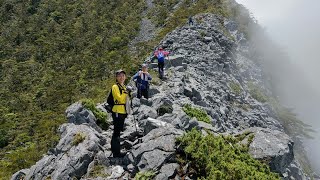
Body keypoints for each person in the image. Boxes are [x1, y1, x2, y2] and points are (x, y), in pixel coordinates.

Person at [111, 69, 132, 157]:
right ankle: (116, 153)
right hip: (117, 111)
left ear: (125, 77)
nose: (121, 77)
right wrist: (126, 92)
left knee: (118, 131)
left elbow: (126, 99)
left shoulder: (123, 86)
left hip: (122, 111)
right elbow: (119, 98)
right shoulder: (115, 87)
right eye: (119, 75)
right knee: (116, 132)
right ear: (116, 77)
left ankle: (116, 150)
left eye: (123, 75)